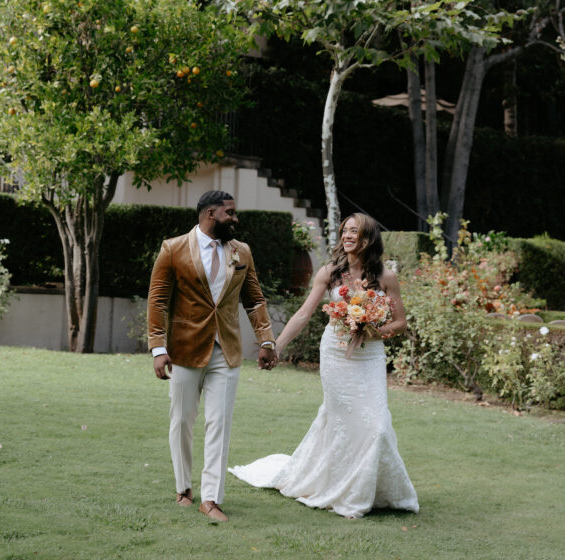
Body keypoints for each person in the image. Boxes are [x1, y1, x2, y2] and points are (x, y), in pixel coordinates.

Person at [229, 212, 419, 519]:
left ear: (368, 238)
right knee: (343, 424)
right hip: (336, 355)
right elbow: (304, 314)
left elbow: (399, 323)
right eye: (344, 231)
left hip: (369, 357)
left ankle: (371, 489)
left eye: (353, 231)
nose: (346, 236)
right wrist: (275, 346)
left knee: (377, 427)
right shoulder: (330, 273)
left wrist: (373, 329)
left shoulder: (386, 277)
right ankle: (346, 491)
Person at [147, 189, 277, 523]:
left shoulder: (241, 251)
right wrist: (158, 348)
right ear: (210, 215)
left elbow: (255, 300)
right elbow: (158, 300)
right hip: (184, 350)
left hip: (227, 350)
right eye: (230, 213)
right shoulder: (173, 248)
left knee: (220, 423)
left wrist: (266, 341)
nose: (235, 218)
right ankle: (183, 488)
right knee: (182, 421)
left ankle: (211, 499)